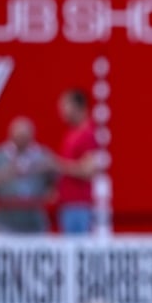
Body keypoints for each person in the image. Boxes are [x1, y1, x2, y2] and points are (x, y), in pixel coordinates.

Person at [0, 116, 57, 233]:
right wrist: (1, 176)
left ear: (31, 136)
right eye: (19, 136)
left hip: (35, 222)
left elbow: (54, 182)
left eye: (24, 136)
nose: (21, 139)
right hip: (4, 221)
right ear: (11, 135)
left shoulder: (44, 157)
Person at [55, 88, 102, 234]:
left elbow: (88, 170)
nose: (61, 110)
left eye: (64, 105)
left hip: (78, 206)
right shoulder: (72, 133)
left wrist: (56, 165)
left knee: (78, 247)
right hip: (68, 204)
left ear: (77, 106)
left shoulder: (87, 134)